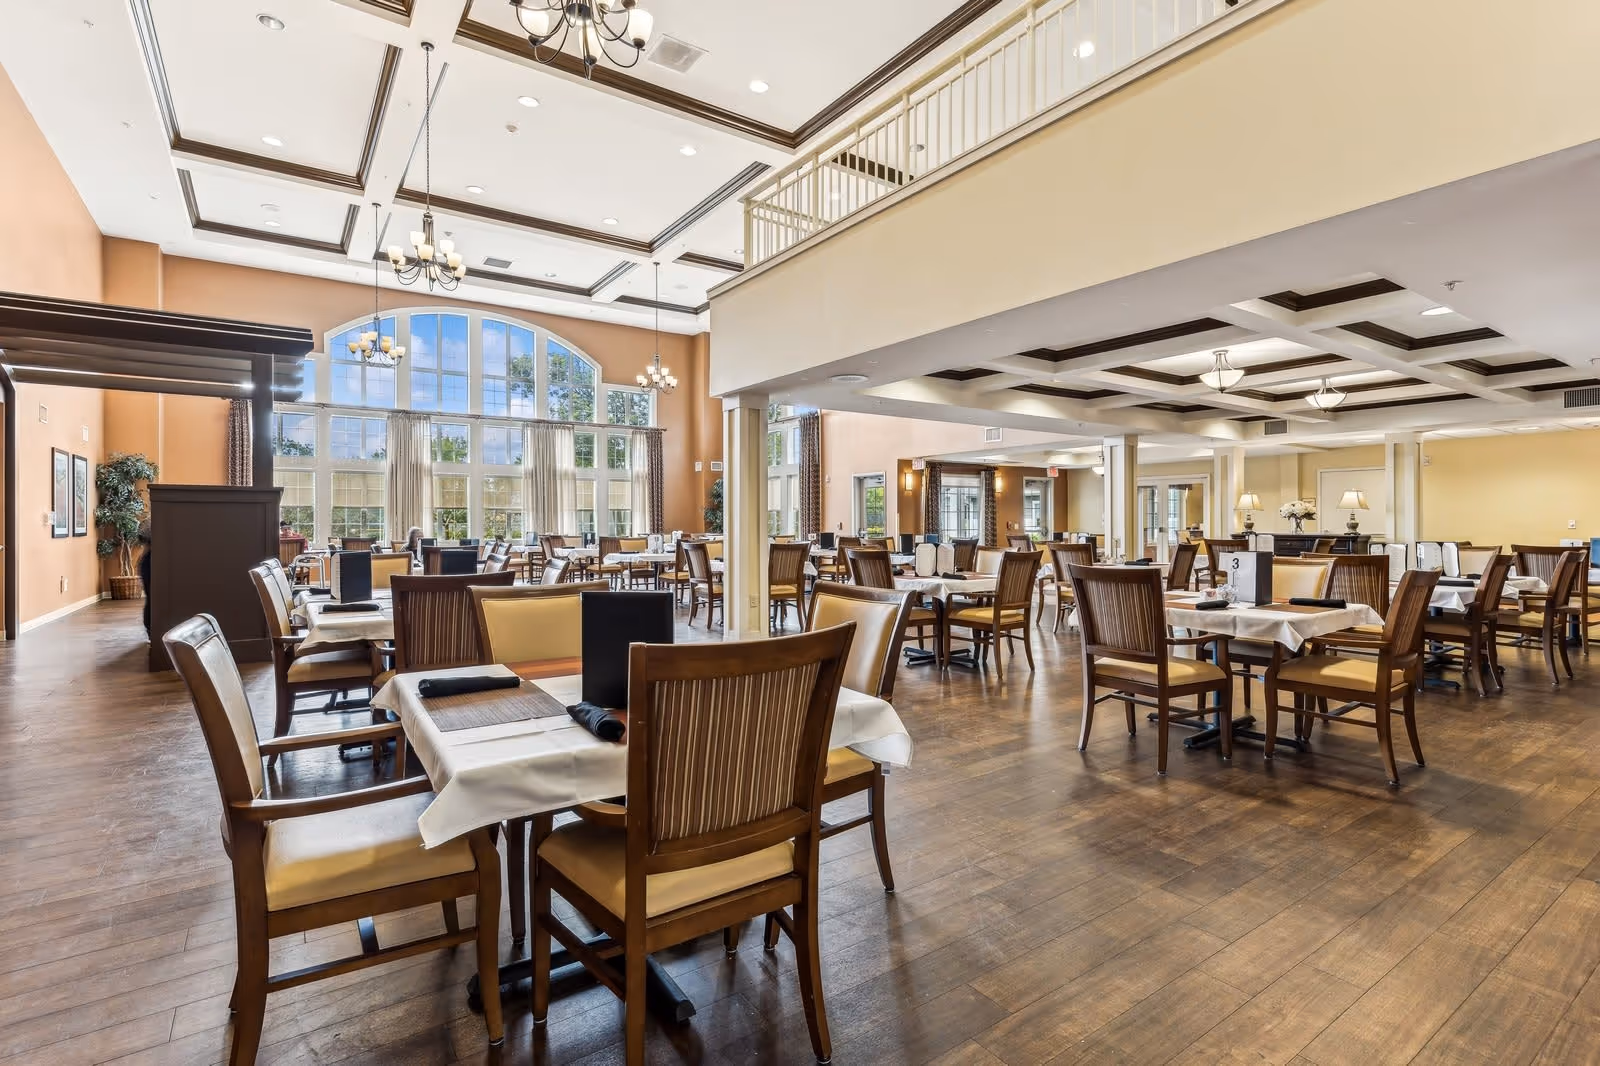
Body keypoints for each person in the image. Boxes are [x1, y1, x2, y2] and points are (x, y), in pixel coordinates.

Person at [136, 523, 153, 638]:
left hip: (148, 560)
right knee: (151, 599)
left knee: (151, 599)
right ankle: (150, 631)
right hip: (149, 561)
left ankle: (150, 631)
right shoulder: (149, 523)